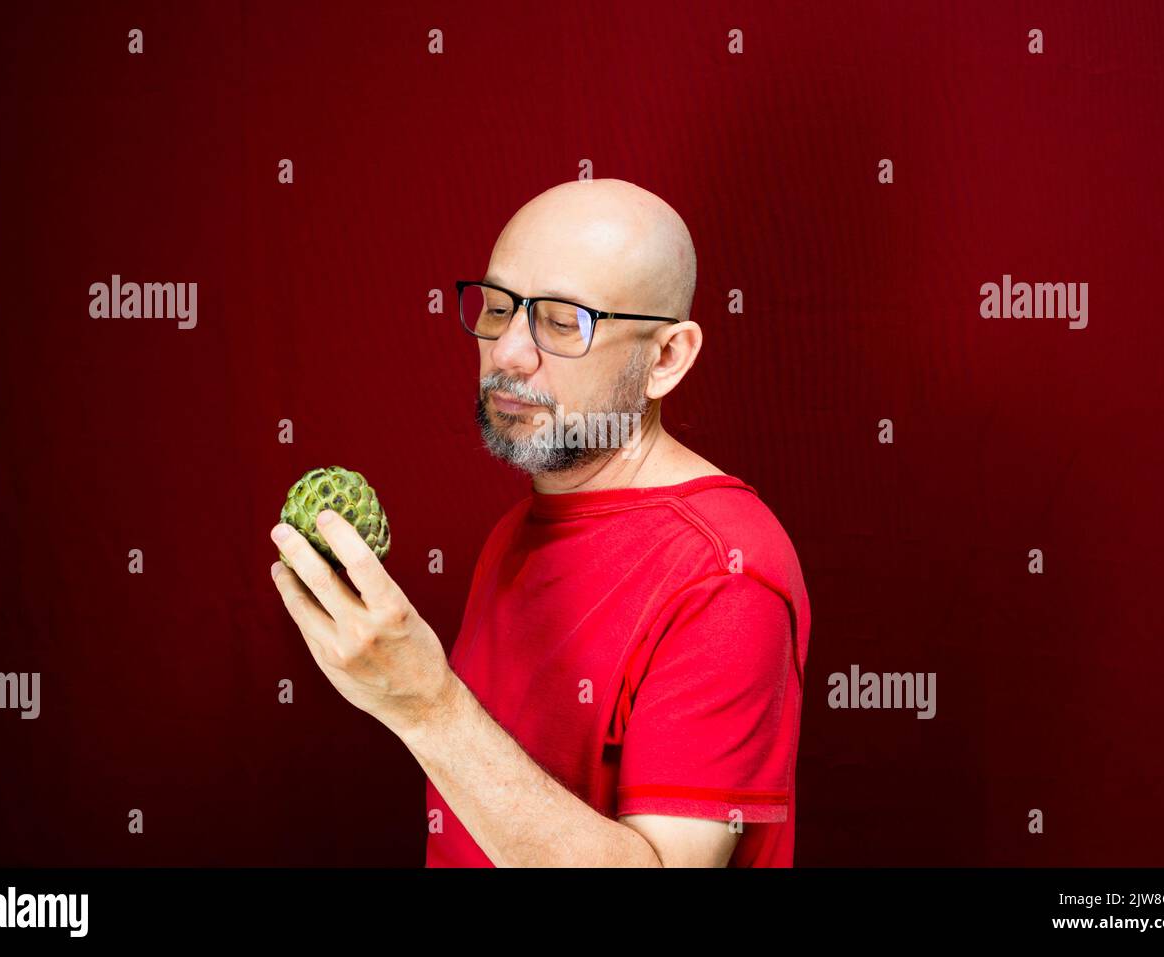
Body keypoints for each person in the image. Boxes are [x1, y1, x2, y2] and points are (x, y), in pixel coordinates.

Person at [269, 178, 810, 867]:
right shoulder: (517, 530)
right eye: (497, 309)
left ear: (666, 358)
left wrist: (425, 704)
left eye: (562, 323)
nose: (507, 353)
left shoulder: (727, 572)